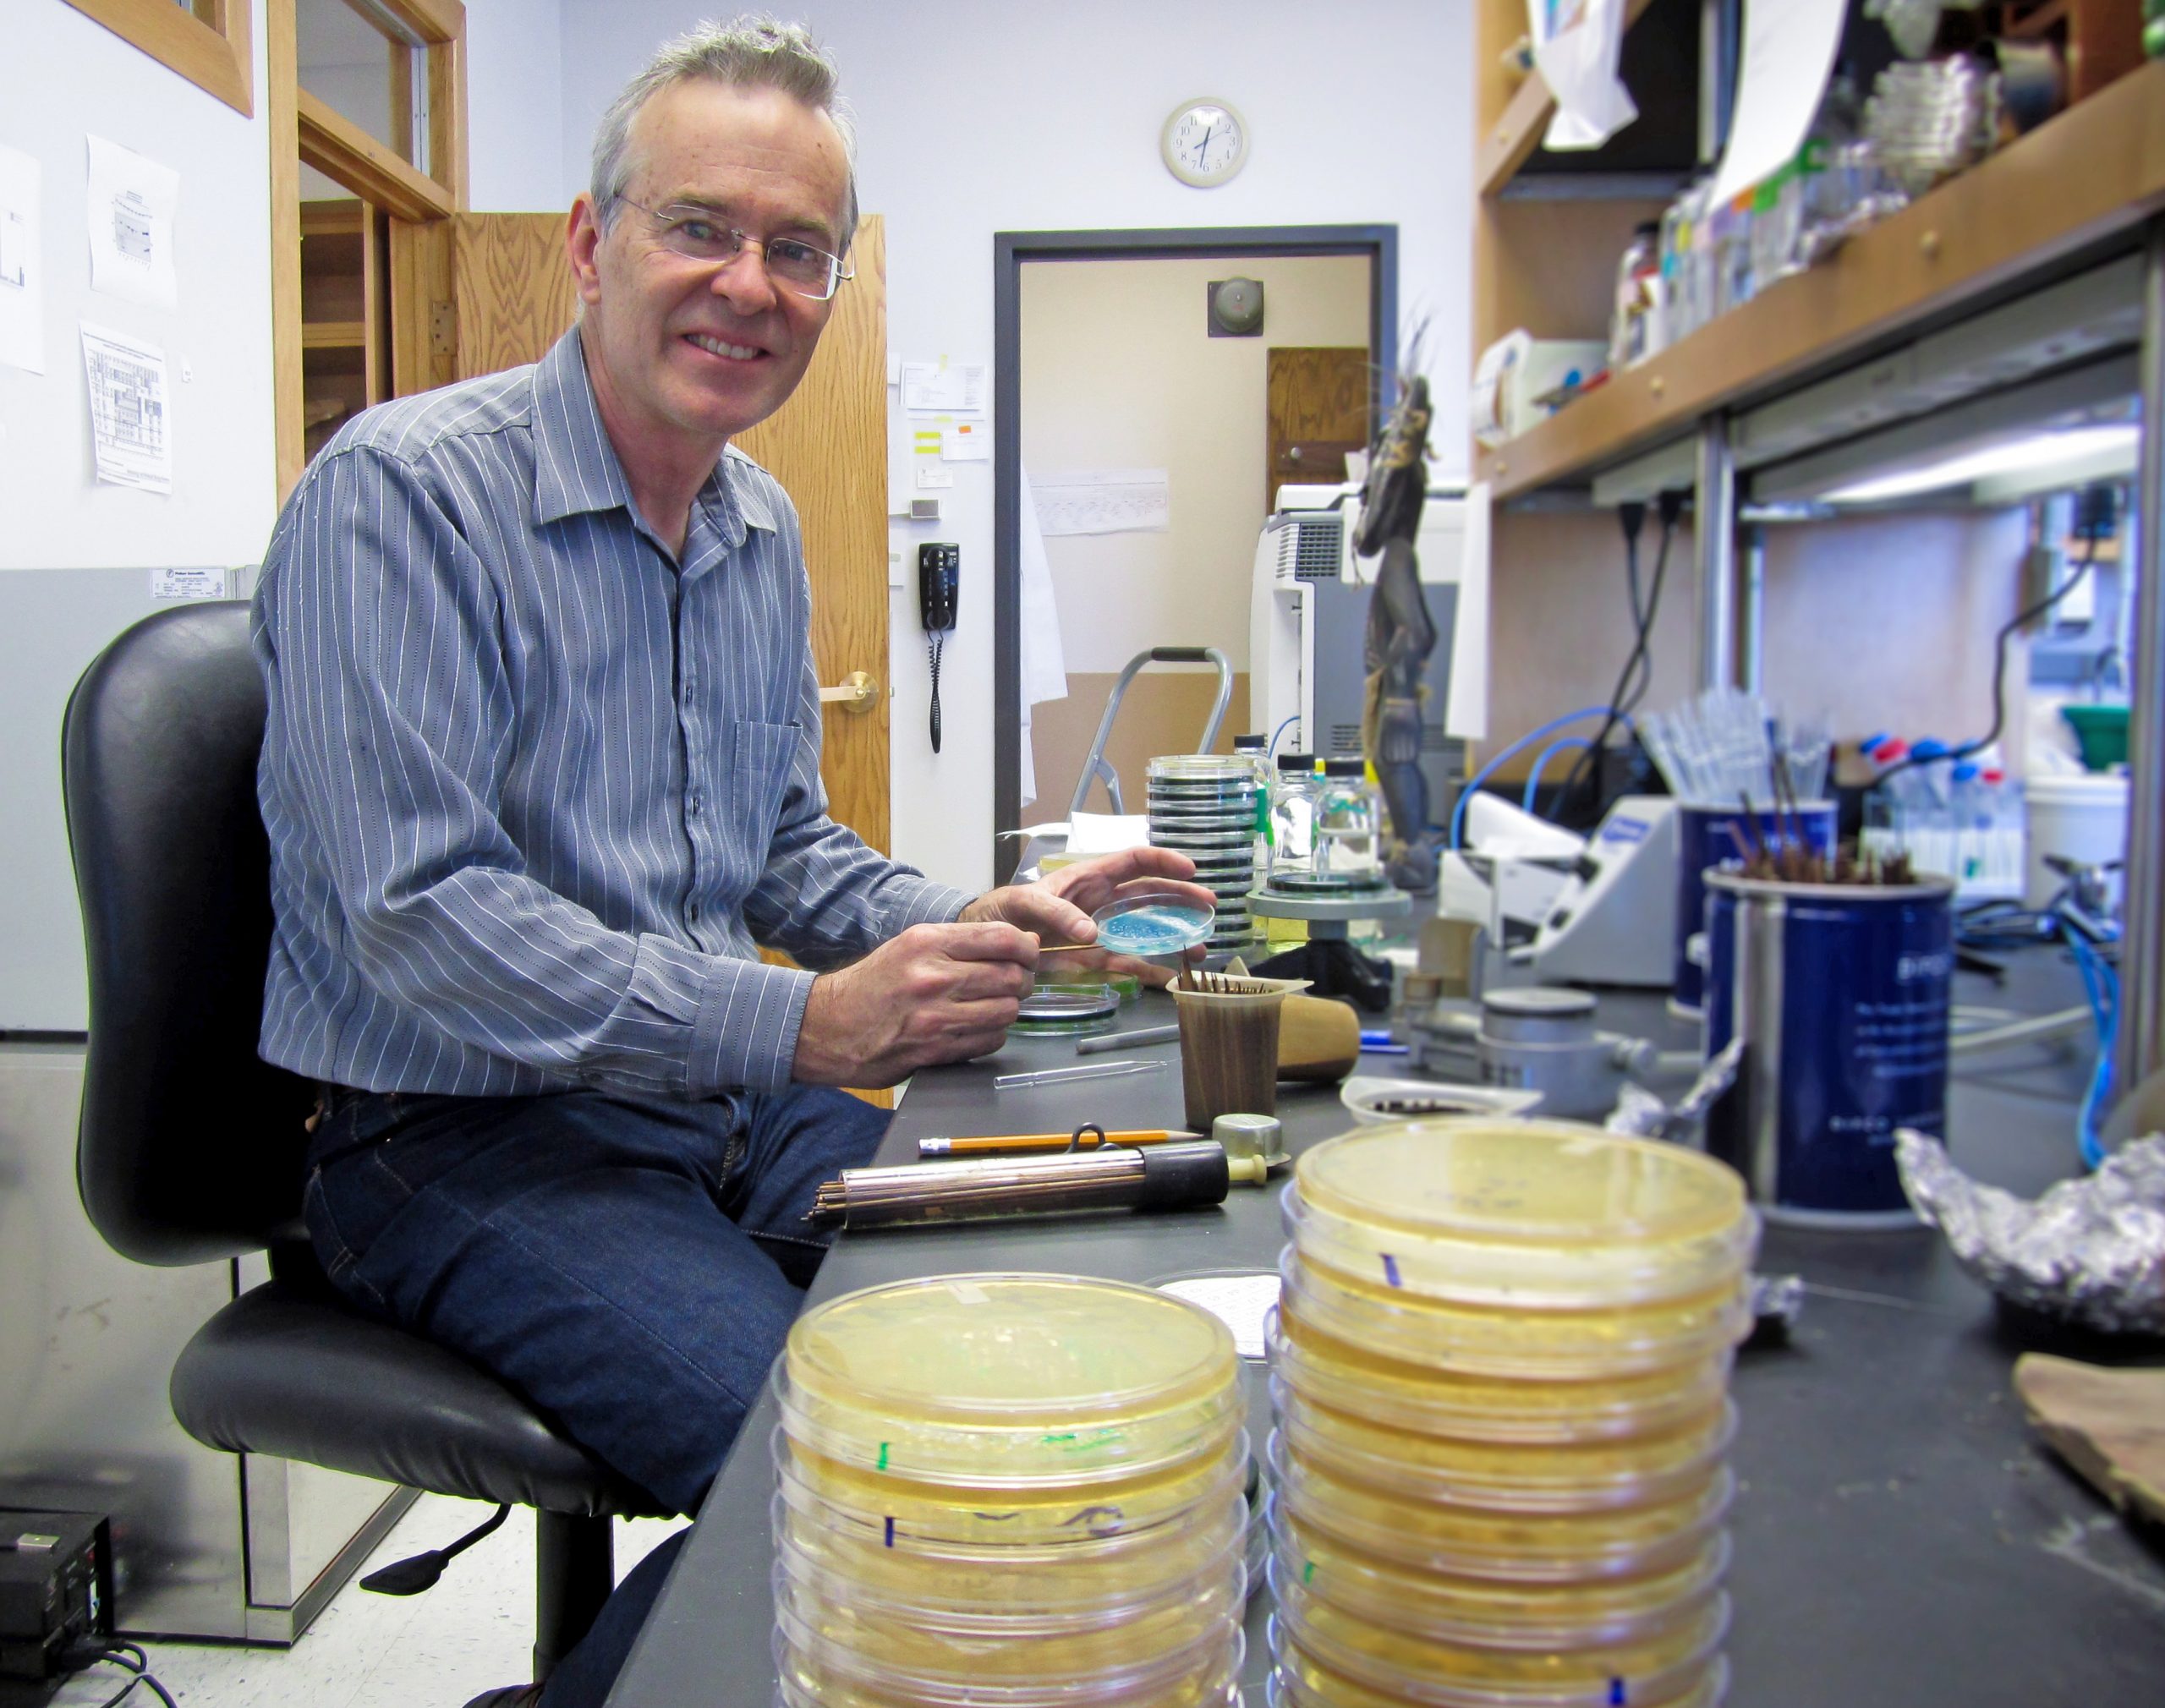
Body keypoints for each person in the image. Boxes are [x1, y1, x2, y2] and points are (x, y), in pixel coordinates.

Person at [249, 18, 1204, 1705]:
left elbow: (777, 848)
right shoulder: (401, 494)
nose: (747, 284)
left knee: (1031, 1312)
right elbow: (422, 919)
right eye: (700, 225)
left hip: (691, 1104)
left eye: (797, 249)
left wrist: (979, 918)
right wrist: (807, 1028)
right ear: (587, 241)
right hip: (446, 1135)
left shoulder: (755, 528)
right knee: (862, 1473)